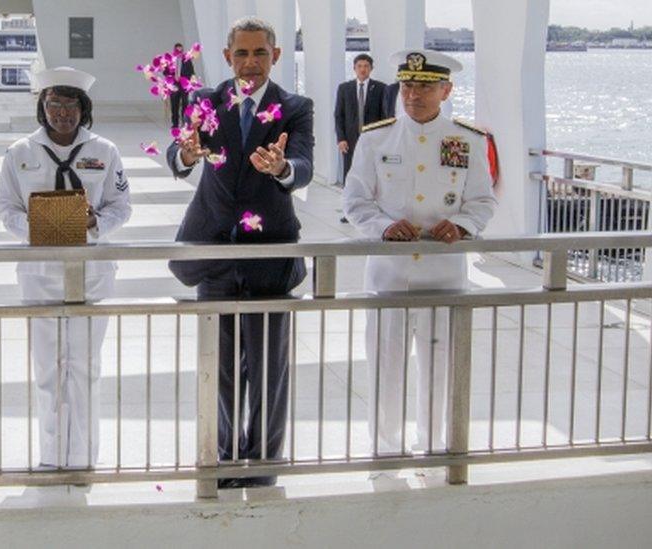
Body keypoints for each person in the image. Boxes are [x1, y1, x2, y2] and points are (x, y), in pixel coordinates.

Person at [166, 17, 314, 489]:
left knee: (269, 369)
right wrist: (187, 155)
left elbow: (305, 164)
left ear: (276, 56)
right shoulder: (205, 102)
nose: (251, 64)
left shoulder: (294, 107)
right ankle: (225, 460)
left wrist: (283, 167)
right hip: (215, 254)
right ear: (227, 57)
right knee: (222, 369)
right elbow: (180, 156)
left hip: (269, 255)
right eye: (242, 54)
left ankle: (263, 465)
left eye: (261, 54)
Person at [342, 50, 497, 457]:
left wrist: (463, 225)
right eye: (407, 85)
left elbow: (482, 200)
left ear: (446, 90)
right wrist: (383, 227)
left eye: (425, 86)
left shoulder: (467, 139)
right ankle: (386, 450)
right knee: (385, 368)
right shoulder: (376, 138)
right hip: (388, 277)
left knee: (439, 370)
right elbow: (355, 201)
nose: (413, 95)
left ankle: (434, 446)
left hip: (443, 278)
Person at [0, 67, 132, 469]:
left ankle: (83, 456)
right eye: (53, 102)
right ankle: (52, 457)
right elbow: (5, 207)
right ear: (42, 105)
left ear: (83, 108)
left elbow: (121, 207)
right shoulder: (19, 152)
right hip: (39, 272)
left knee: (85, 367)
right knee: (48, 369)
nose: (61, 112)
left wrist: (92, 226)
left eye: (71, 104)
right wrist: (40, 230)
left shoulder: (105, 151)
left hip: (90, 271)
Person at [335, 53, 386, 185]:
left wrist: (383, 138)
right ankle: (349, 199)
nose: (363, 69)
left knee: (372, 171)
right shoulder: (344, 88)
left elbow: (384, 115)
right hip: (350, 139)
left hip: (373, 139)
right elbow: (339, 115)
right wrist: (341, 138)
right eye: (359, 66)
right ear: (354, 68)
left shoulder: (381, 88)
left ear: (371, 68)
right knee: (350, 171)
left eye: (366, 66)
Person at [167, 42, 196, 128]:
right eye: (177, 50)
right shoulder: (171, 60)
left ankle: (184, 122)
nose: (179, 51)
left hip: (184, 85)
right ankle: (175, 123)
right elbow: (166, 72)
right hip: (174, 85)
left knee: (185, 103)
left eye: (181, 50)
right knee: (174, 104)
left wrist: (189, 80)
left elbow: (191, 71)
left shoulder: (187, 59)